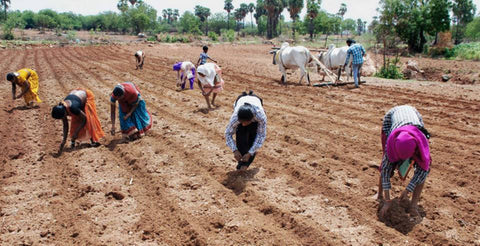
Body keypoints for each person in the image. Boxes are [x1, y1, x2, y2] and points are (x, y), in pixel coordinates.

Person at [377, 105, 432, 219]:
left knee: (423, 166)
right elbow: (386, 171)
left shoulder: (421, 143)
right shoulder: (391, 143)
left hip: (413, 116)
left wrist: (408, 190)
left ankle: (413, 205)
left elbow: (422, 172)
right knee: (386, 164)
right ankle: (379, 195)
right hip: (392, 118)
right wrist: (387, 200)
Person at [51, 89, 105, 153]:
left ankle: (93, 141)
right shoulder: (62, 107)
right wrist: (64, 141)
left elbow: (84, 119)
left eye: (62, 117)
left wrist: (76, 132)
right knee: (75, 123)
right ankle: (73, 142)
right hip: (76, 96)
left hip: (86, 96)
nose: (63, 118)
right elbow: (65, 125)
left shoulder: (73, 108)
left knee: (89, 120)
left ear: (65, 112)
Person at [225, 91, 267, 170]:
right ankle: (241, 161)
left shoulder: (260, 116)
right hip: (241, 100)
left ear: (251, 119)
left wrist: (250, 153)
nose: (243, 124)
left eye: (245, 122)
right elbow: (228, 133)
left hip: (256, 102)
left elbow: (261, 135)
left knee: (253, 137)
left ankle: (247, 162)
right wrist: (235, 150)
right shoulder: (235, 117)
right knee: (240, 137)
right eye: (241, 122)